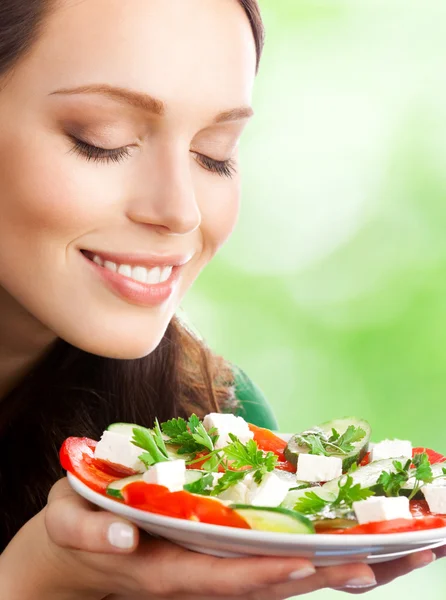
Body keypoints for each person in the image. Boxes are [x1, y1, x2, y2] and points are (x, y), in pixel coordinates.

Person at [0, 1, 440, 598]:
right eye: (102, 141)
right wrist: (39, 579)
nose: (181, 211)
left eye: (215, 153)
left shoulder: (216, 427)